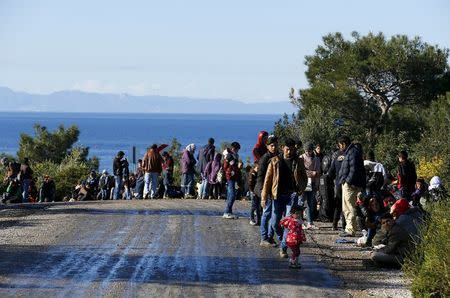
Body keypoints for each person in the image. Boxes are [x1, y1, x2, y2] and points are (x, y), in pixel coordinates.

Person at [261, 138, 308, 258]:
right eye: (287, 149)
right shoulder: (274, 161)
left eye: (292, 149)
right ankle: (284, 239)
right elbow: (267, 180)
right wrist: (263, 197)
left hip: (292, 196)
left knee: (288, 223)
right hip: (277, 196)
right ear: (282, 148)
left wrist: (301, 189)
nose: (289, 152)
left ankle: (283, 248)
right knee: (275, 223)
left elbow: (304, 176)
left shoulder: (298, 161)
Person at [337, 136, 366, 237]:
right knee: (347, 206)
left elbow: (354, 169)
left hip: (350, 184)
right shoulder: (352, 152)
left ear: (344, 144)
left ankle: (350, 229)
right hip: (350, 183)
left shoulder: (352, 152)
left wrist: (348, 181)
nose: (340, 147)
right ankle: (349, 228)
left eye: (340, 145)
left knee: (349, 206)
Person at [255, 135, 279, 246]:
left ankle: (270, 237)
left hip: (275, 190)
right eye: (272, 146)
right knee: (267, 214)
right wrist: (262, 193)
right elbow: (260, 177)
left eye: (275, 145)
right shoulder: (265, 158)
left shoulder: (278, 156)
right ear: (267, 146)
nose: (274, 147)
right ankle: (264, 238)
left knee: (275, 215)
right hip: (266, 190)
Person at [299, 142, 321, 229]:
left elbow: (319, 171)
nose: (308, 152)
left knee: (310, 203)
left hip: (313, 182)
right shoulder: (301, 157)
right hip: (304, 182)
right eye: (307, 150)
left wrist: (316, 173)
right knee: (301, 202)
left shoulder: (317, 159)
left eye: (310, 150)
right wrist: (312, 173)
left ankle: (310, 222)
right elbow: (301, 171)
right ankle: (299, 221)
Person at [328, 148, 346, 231]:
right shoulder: (349, 156)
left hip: (338, 183)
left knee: (338, 205)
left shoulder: (336, 158)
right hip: (347, 183)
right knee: (346, 205)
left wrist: (335, 178)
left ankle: (334, 224)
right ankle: (344, 225)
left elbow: (330, 172)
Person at [222, 142, 241, 219]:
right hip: (230, 176)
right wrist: (235, 167)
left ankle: (229, 211)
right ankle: (226, 212)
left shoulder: (234, 155)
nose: (238, 151)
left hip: (232, 176)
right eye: (237, 149)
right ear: (234, 148)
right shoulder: (229, 156)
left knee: (230, 194)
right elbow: (226, 166)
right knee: (232, 195)